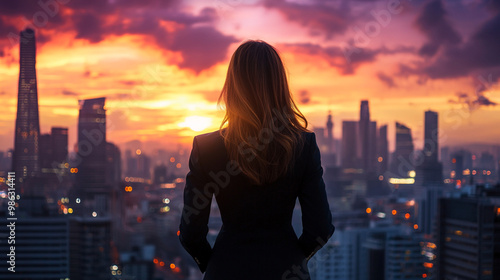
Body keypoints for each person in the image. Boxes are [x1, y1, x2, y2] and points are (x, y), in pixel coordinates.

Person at [179, 40, 334, 280]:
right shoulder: (303, 145)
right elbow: (321, 228)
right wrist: (292, 257)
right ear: (279, 85)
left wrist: (217, 263)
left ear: (233, 85)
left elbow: (191, 232)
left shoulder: (207, 147)